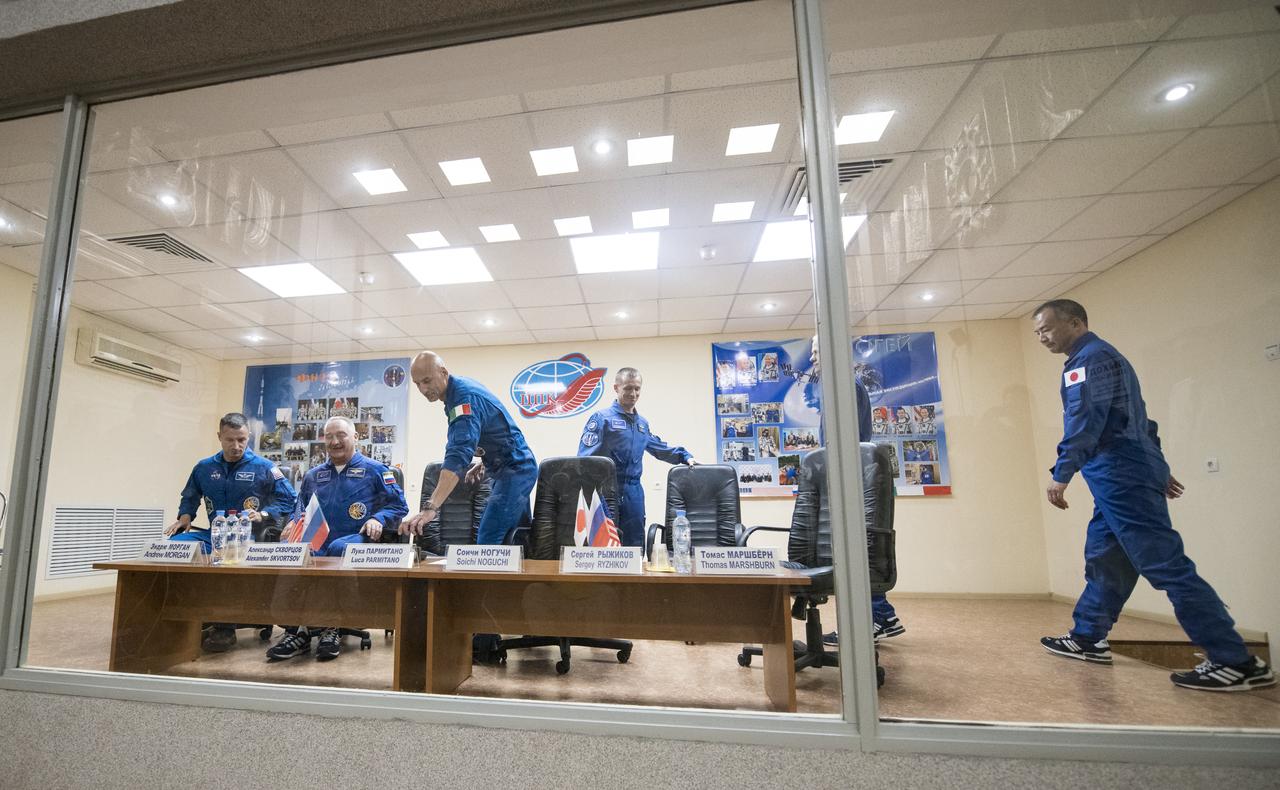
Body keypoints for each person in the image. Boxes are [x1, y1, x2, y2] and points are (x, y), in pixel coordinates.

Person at [1033, 299, 1273, 691]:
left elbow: (1086, 421)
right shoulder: (1106, 357)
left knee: (1164, 564)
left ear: (1075, 323)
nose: (1042, 338)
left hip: (1118, 473)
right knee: (1106, 557)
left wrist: (1062, 473)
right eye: (1037, 333)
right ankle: (1087, 637)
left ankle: (1235, 660)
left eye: (1046, 329)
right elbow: (1142, 421)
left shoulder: (1087, 362)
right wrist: (1155, 467)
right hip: (1125, 471)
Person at [265, 416, 408, 662]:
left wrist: (378, 519)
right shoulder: (313, 475)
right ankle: (298, 629)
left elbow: (398, 506)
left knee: (337, 548)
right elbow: (301, 508)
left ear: (355, 437)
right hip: (319, 540)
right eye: (329, 436)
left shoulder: (376, 471)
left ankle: (332, 627)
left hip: (356, 540)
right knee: (295, 551)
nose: (334, 441)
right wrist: (292, 522)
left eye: (341, 435)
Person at [166, 412, 297, 652]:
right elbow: (190, 495)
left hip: (248, 537)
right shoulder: (204, 467)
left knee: (226, 559)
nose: (237, 446)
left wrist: (264, 514)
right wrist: (185, 518)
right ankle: (184, 615)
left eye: (242, 440)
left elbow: (289, 499)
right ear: (220, 437)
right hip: (214, 534)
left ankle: (224, 628)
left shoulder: (265, 467)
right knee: (176, 546)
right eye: (230, 440)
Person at [806, 336, 905, 644]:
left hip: (852, 482)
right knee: (851, 552)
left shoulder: (845, 386)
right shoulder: (840, 385)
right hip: (846, 479)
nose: (812, 360)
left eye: (816, 352)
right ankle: (881, 615)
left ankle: (877, 617)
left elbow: (845, 441)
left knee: (856, 552)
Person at [402, 351, 537, 546]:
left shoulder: (464, 400)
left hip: (516, 470)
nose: (423, 389)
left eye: (427, 380)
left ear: (443, 372)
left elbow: (457, 456)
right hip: (508, 467)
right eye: (417, 384)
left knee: (488, 538)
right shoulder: (456, 392)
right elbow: (495, 429)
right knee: (516, 537)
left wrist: (430, 508)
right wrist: (486, 459)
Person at [577, 367, 695, 547]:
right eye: (628, 388)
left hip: (633, 491)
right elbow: (584, 459)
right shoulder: (602, 419)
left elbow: (659, 448)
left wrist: (684, 456)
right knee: (604, 543)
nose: (633, 393)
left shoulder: (642, 424)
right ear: (616, 388)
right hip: (605, 491)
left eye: (637, 388)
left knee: (634, 542)